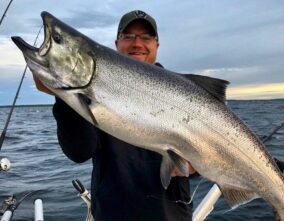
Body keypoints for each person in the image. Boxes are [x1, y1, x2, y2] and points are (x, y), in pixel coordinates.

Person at [34, 10, 196, 221]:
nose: (137, 43)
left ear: (157, 45)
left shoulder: (183, 94)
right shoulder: (99, 90)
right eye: (128, 36)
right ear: (117, 43)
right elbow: (79, 152)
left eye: (146, 37)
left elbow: (207, 154)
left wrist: (195, 165)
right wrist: (64, 96)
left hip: (171, 214)